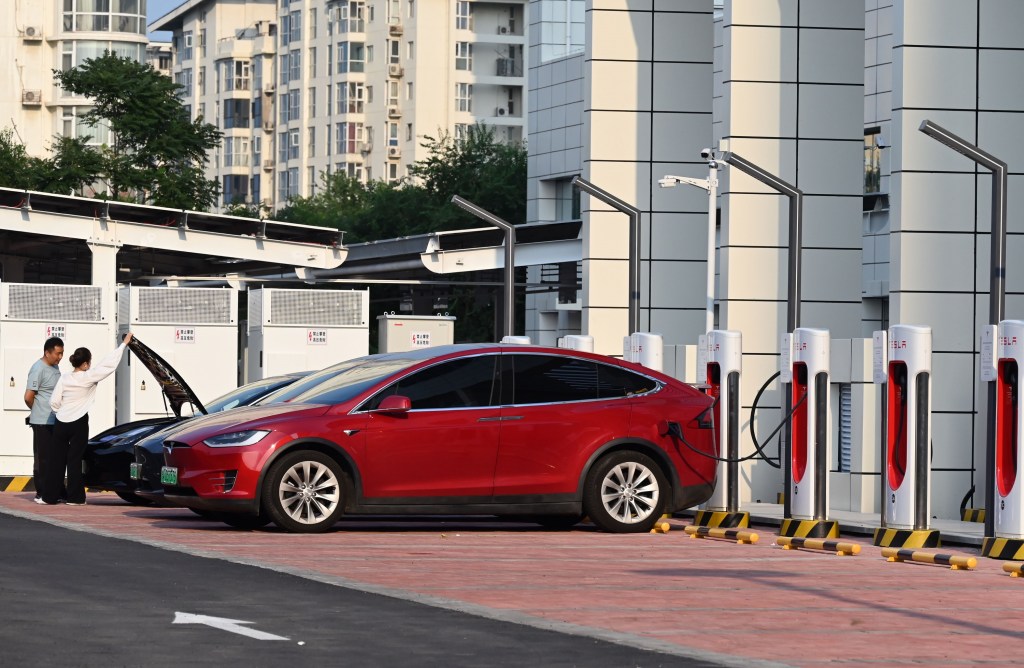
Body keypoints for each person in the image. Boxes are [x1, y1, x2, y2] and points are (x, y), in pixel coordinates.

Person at [41, 332, 133, 506]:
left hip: (61, 422)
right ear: (85, 363)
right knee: (74, 460)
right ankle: (75, 498)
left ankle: (49, 497)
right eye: (89, 363)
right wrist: (124, 344)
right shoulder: (89, 376)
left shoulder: (65, 377)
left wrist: (62, 412)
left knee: (56, 460)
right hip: (79, 423)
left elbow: (54, 401)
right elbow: (109, 364)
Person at [25, 337, 64, 502]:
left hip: (56, 419)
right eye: (57, 353)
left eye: (62, 353)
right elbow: (28, 397)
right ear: (47, 352)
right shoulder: (38, 368)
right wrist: (38, 411)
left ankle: (58, 490)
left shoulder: (55, 367)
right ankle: (41, 491)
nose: (60, 357)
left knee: (57, 457)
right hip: (42, 421)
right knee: (43, 458)